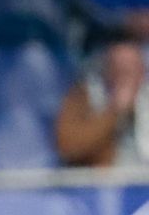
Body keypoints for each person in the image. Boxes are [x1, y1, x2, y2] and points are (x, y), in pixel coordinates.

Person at [55, 38, 149, 167]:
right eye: (118, 69)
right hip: (102, 182)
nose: (124, 77)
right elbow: (68, 147)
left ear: (142, 72)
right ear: (106, 71)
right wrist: (115, 113)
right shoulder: (84, 95)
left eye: (130, 69)